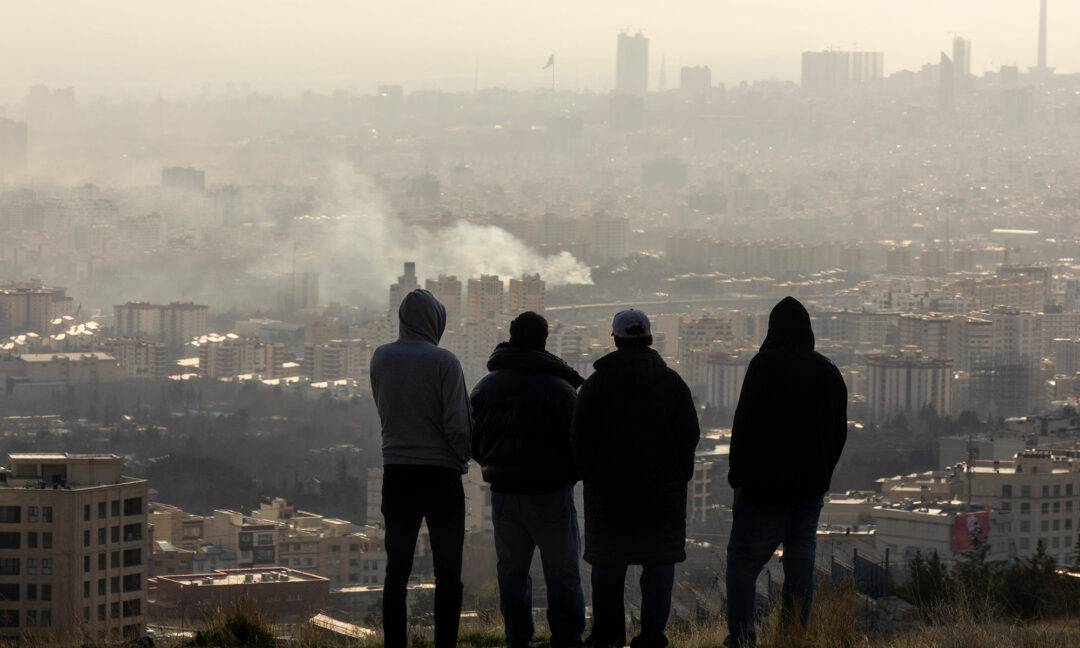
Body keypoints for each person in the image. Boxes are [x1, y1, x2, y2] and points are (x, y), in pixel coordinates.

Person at [571, 309, 700, 648]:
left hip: (609, 497)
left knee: (608, 567)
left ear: (615, 340)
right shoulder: (672, 382)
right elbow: (689, 436)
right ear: (649, 338)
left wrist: (590, 477)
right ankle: (653, 637)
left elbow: (580, 438)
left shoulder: (597, 385)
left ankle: (607, 637)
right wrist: (678, 476)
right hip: (661, 499)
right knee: (658, 565)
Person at [724, 296, 848, 648]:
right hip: (808, 495)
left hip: (763, 493)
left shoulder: (763, 366)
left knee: (743, 568)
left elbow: (744, 427)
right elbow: (839, 431)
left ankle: (742, 639)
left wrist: (738, 483)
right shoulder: (828, 370)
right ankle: (794, 636)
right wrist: (822, 474)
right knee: (799, 574)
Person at [471, 311, 587, 648]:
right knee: (562, 572)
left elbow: (471, 440)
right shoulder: (561, 389)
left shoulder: (485, 388)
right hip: (550, 492)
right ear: (544, 340)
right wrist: (570, 475)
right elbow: (580, 443)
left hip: (505, 494)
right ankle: (566, 640)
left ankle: (517, 640)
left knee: (512, 573)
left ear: (511, 336)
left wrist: (494, 465)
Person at [370, 289, 471, 648]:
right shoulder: (445, 362)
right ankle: (445, 644)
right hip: (440, 476)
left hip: (396, 473)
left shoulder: (380, 358)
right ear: (435, 321)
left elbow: (384, 408)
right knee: (448, 572)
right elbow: (458, 425)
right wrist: (461, 459)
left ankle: (395, 643)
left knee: (396, 570)